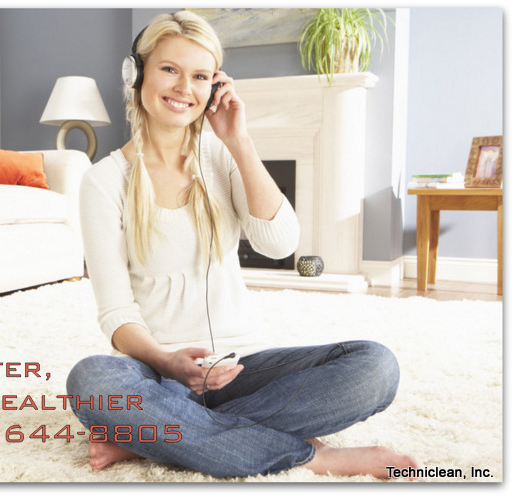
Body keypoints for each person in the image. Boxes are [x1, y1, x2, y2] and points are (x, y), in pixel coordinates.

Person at [66, 11, 418, 479]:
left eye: (200, 76)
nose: (183, 88)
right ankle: (316, 457)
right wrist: (167, 361)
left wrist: (241, 141)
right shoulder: (103, 180)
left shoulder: (221, 155)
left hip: (241, 366)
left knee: (376, 367)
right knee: (91, 382)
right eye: (170, 69)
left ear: (215, 86)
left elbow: (280, 243)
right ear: (137, 72)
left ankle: (157, 439)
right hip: (155, 373)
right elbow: (117, 313)